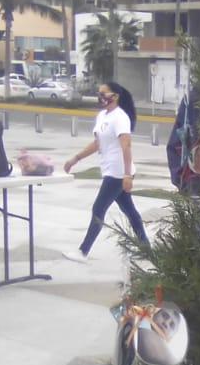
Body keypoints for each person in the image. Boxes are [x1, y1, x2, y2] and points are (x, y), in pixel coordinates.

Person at [63, 82, 149, 260]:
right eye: (99, 93)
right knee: (129, 210)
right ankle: (146, 248)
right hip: (110, 169)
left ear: (115, 96)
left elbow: (126, 146)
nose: (100, 97)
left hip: (118, 172)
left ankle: (83, 251)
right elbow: (97, 143)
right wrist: (76, 159)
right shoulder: (102, 116)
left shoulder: (120, 118)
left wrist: (127, 174)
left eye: (104, 93)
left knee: (98, 208)